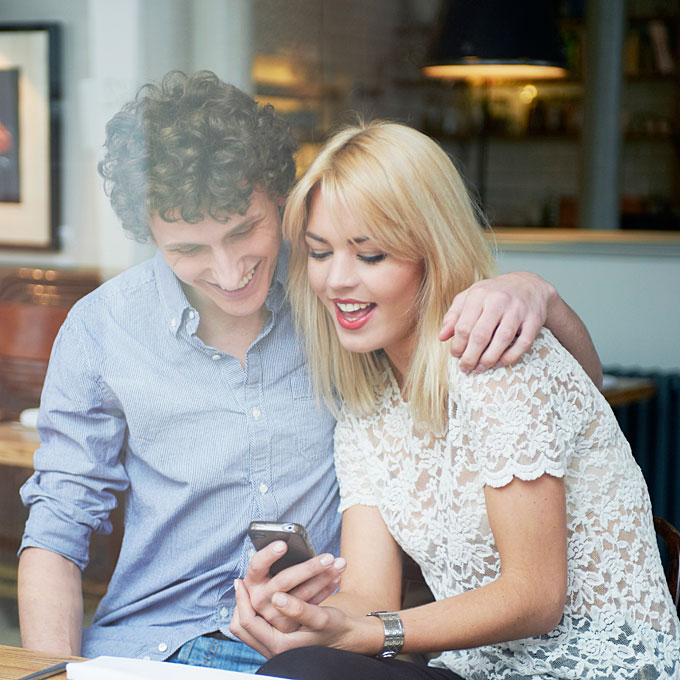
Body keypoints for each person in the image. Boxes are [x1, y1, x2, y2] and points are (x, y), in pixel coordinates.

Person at [17, 72, 602, 674]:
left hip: (318, 648)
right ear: (151, 235)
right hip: (154, 647)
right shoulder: (102, 328)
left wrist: (537, 294)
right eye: (188, 250)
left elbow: (577, 407)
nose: (228, 271)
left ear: (279, 196)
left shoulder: (339, 292)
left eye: (245, 231)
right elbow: (58, 530)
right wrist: (55, 671)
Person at [230, 121, 680, 679]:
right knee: (300, 667)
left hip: (594, 667)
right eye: (320, 252)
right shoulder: (365, 410)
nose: (336, 281)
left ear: (431, 253)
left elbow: (535, 597)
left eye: (370, 255)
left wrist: (375, 633)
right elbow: (369, 593)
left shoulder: (495, 360)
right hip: (476, 671)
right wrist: (302, 617)